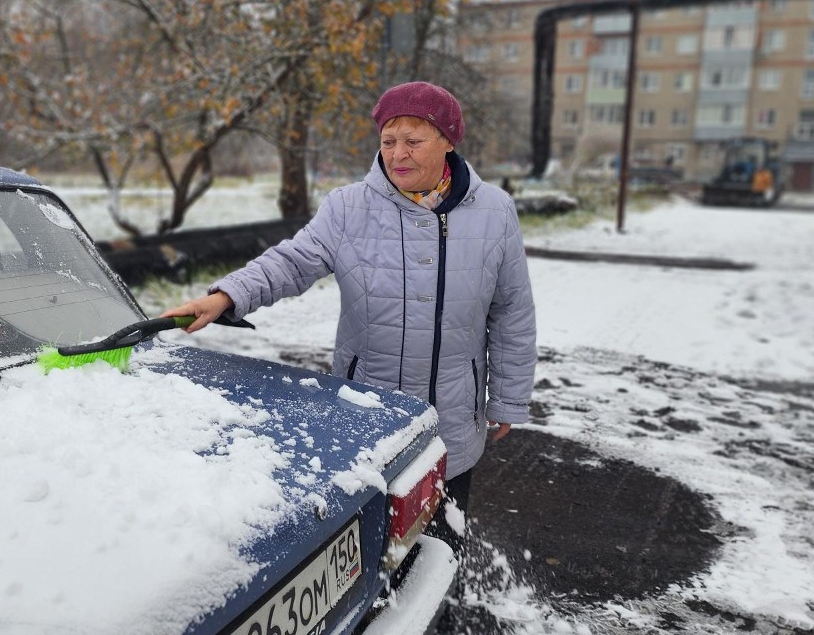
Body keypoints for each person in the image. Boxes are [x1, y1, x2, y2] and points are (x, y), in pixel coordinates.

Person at [161, 81, 537, 555]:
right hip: (368, 410)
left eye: (413, 141)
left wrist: (508, 396)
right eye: (388, 141)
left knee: (439, 543)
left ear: (447, 141)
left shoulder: (495, 212)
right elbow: (291, 261)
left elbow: (511, 312)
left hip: (453, 415)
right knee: (367, 546)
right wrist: (224, 297)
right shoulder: (348, 208)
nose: (398, 154)